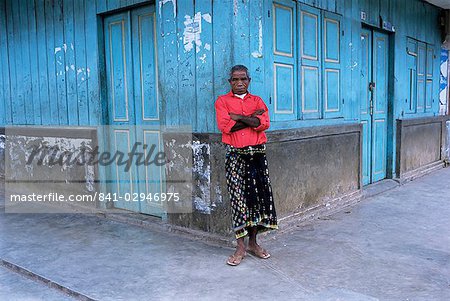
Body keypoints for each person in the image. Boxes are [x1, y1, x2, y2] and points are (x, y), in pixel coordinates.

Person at [214, 65, 278, 266]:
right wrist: (252, 118)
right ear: (229, 82)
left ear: (249, 80)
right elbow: (226, 127)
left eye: (243, 79)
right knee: (238, 201)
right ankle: (240, 246)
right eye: (235, 79)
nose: (239, 83)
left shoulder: (257, 100)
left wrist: (239, 117)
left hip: (257, 155)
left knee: (256, 201)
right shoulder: (222, 101)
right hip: (235, 156)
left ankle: (253, 243)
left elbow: (264, 123)